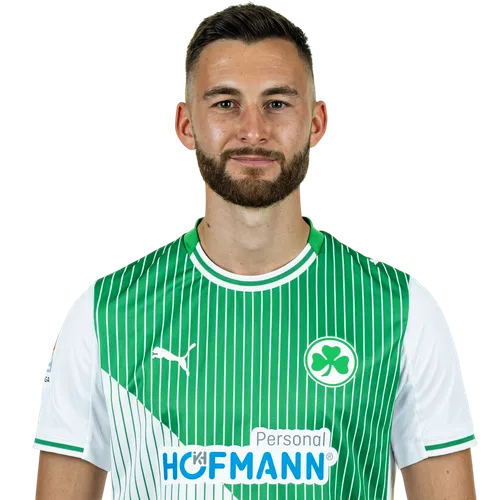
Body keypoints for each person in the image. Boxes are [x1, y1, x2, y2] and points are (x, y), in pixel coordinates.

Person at [32, 3, 479, 499]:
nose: (253, 130)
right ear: (185, 124)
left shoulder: (400, 308)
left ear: (316, 121)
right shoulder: (105, 313)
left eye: (277, 103)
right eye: (226, 103)